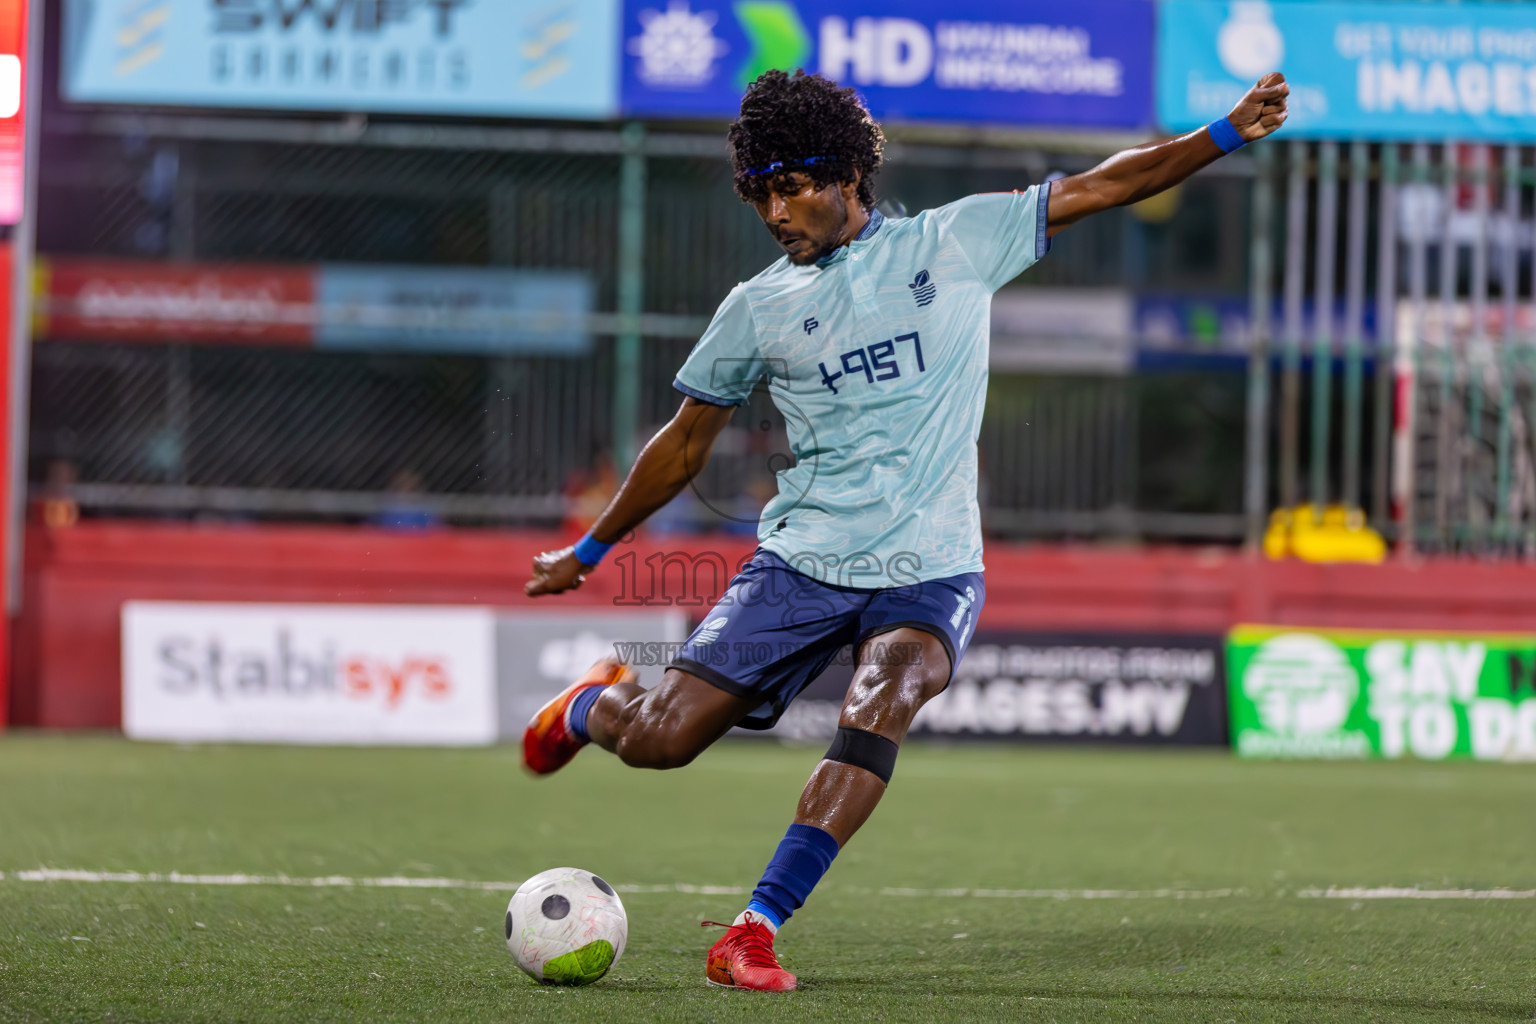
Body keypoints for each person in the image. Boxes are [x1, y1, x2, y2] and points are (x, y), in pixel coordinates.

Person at [523, 69, 1289, 991]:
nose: (775, 210)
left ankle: (754, 928)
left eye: (791, 185)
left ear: (847, 173)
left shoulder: (958, 240)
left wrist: (1224, 133)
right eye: (758, 192)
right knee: (659, 739)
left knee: (889, 687)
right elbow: (684, 445)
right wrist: (590, 549)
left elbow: (1109, 182)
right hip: (802, 562)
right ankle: (587, 705)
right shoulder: (756, 307)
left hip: (931, 568)